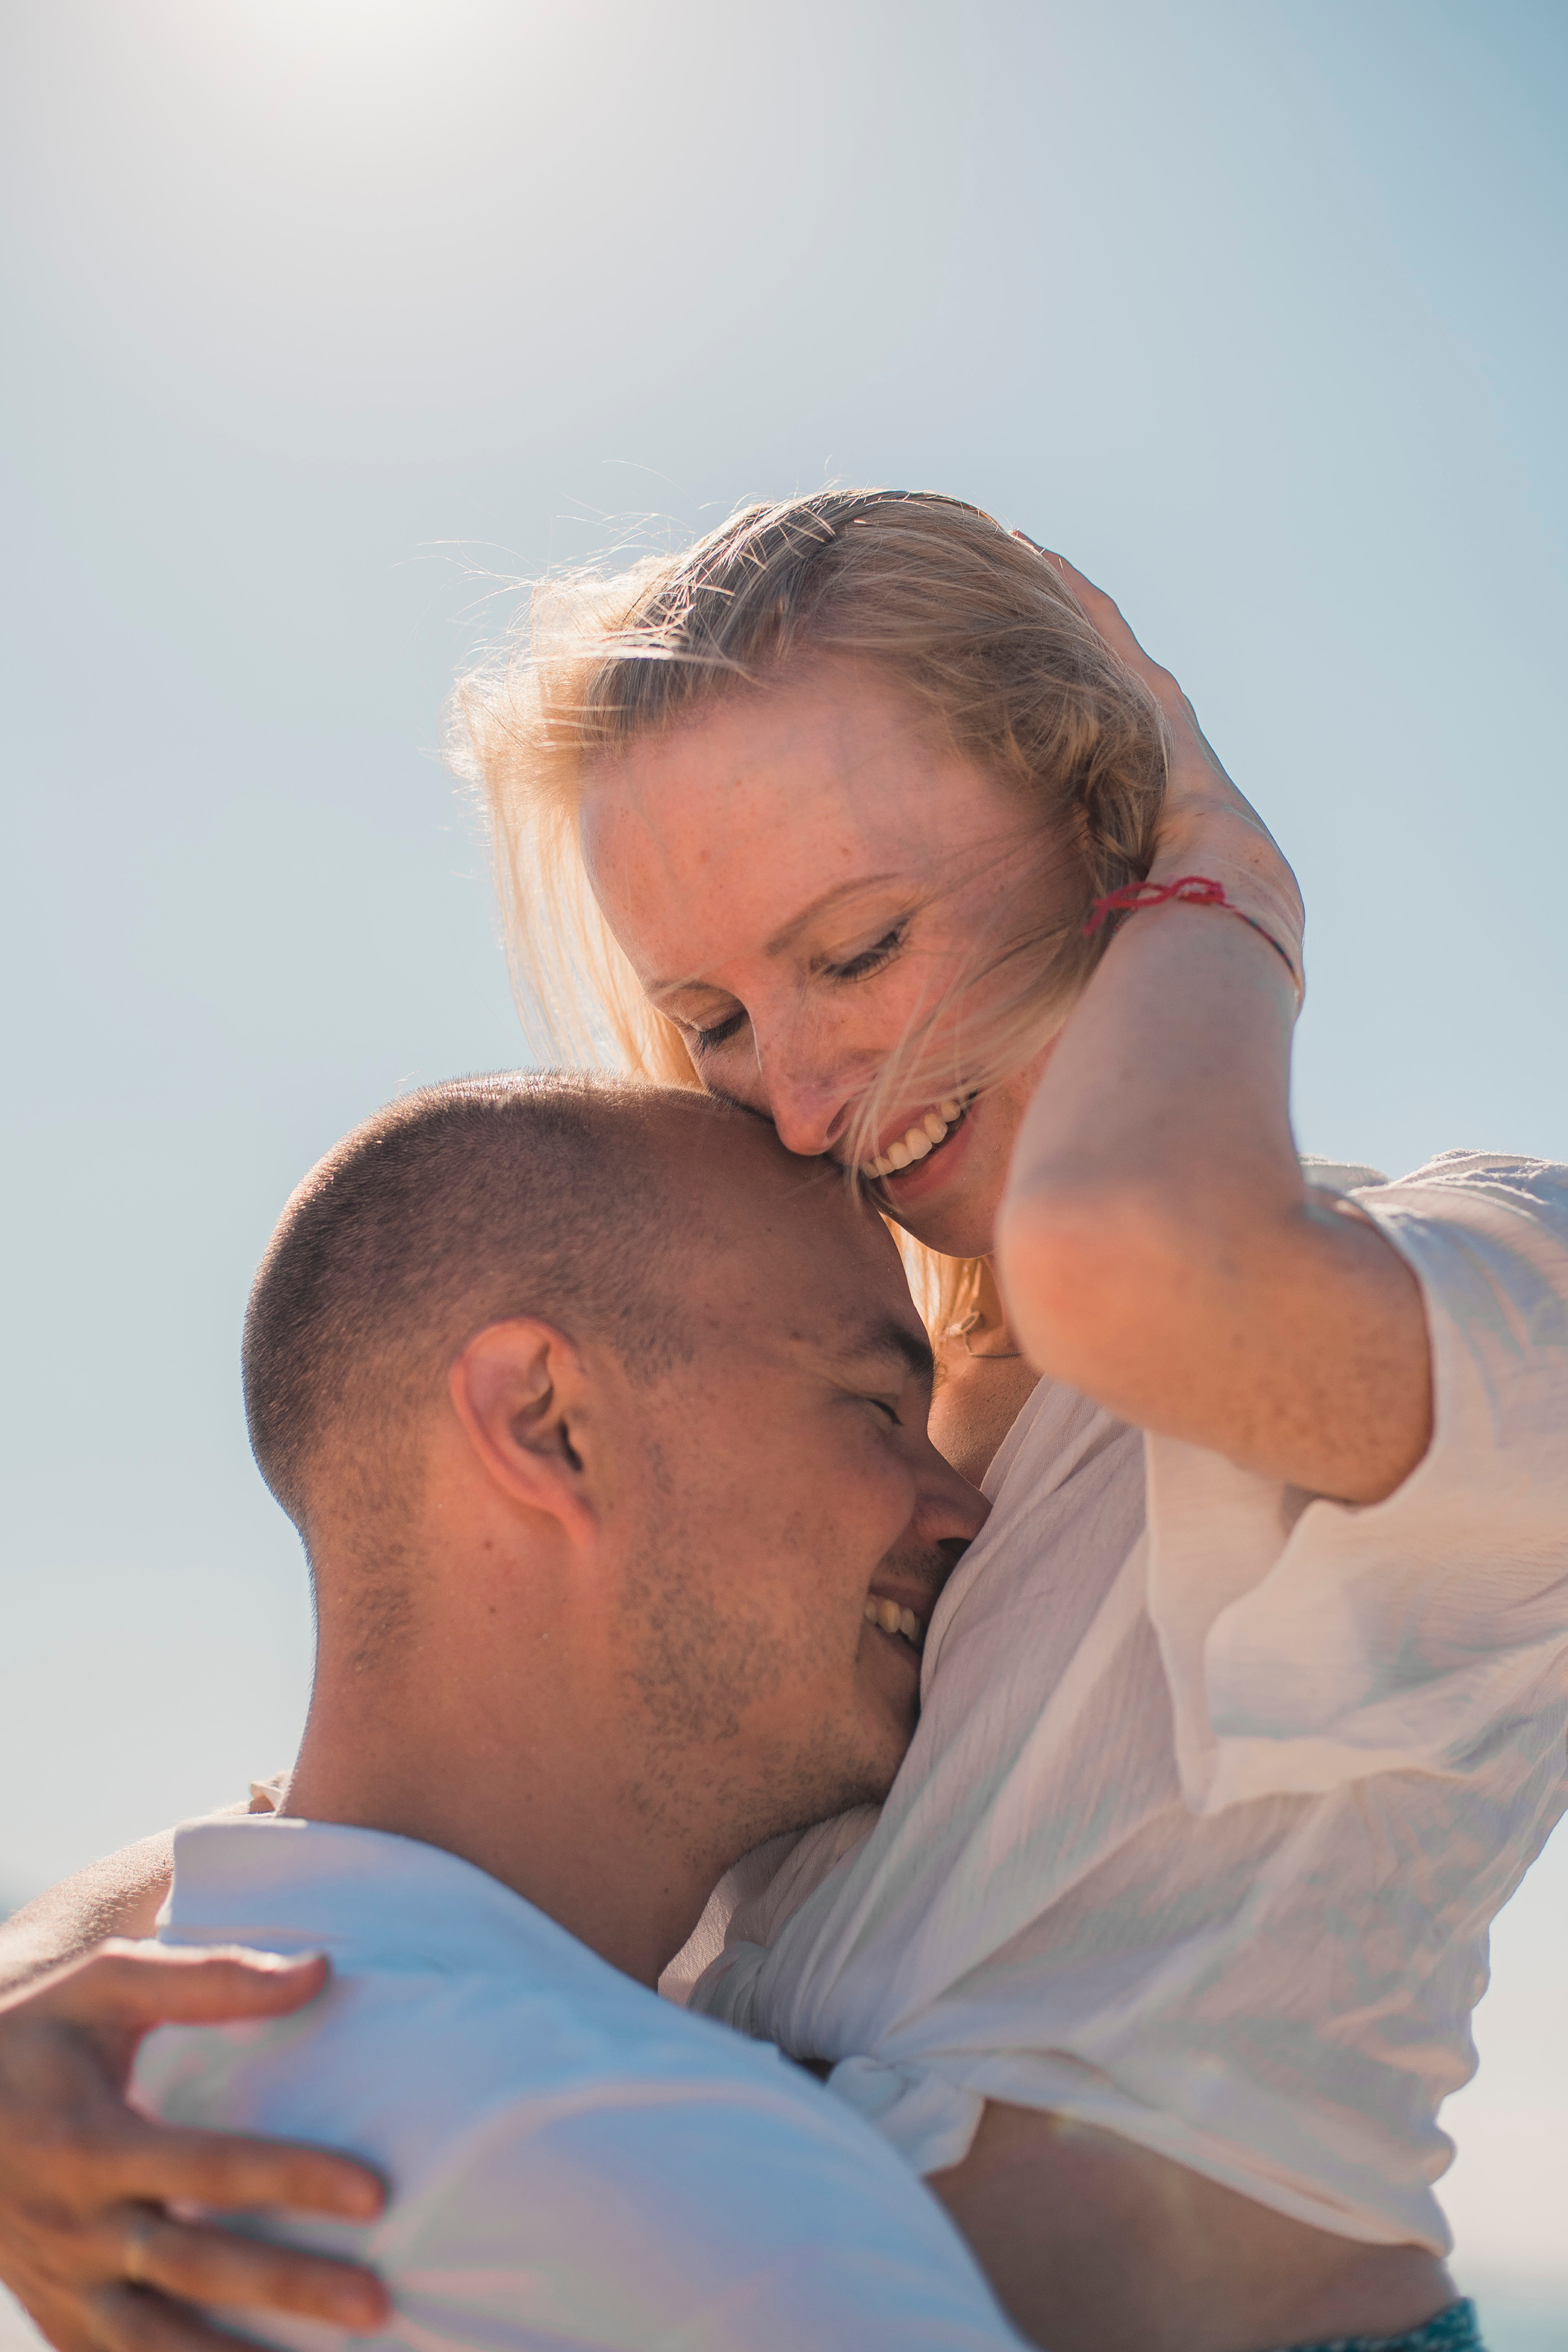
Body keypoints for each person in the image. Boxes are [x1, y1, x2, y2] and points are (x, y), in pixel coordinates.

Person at [4, 491, 1566, 2352]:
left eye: (854, 953)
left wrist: (1228, 880)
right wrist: (31, 2017)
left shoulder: (1494, 1296)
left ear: (1100, 826)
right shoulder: (818, 1425)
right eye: (714, 1016)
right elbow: (377, 1826)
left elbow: (1135, 1263)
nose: (804, 1101)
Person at [2, 1071, 1018, 2352]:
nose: (962, 1506)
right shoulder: (667, 2179)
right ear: (547, 1423)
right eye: (875, 1408)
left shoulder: (162, 2094)